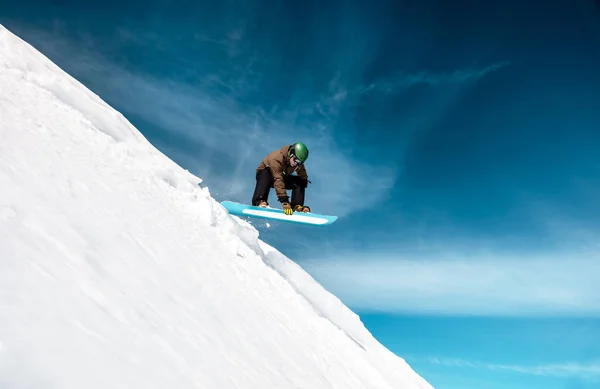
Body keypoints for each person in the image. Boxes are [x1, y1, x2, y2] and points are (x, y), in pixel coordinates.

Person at [252, 142, 311, 215]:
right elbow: (278, 179)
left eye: (300, 163)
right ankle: (259, 201)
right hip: (266, 175)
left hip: (281, 176)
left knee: (299, 181)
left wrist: (303, 182)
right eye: (296, 161)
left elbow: (302, 172)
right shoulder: (277, 158)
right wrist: (285, 201)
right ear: (291, 154)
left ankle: (296, 206)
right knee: (266, 172)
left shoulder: (297, 164)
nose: (296, 164)